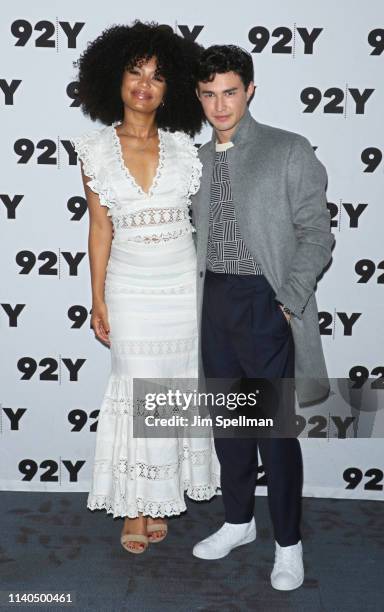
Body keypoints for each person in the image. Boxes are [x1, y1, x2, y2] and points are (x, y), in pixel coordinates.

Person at [71, 21, 219, 554]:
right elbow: (99, 227)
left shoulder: (185, 148)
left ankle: (162, 495)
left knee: (174, 388)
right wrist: (97, 298)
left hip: (183, 285)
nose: (144, 85)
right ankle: (134, 505)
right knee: (137, 390)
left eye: (157, 77)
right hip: (130, 286)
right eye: (135, 73)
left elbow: (203, 223)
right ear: (114, 78)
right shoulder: (93, 149)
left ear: (170, 87)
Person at [191, 45, 334, 589]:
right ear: (199, 97)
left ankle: (289, 544)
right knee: (229, 428)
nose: (219, 105)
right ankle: (238, 521)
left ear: (250, 89)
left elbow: (317, 232)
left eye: (230, 91)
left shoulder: (288, 149)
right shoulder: (197, 161)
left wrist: (288, 296)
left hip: (266, 302)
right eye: (208, 94)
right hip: (214, 304)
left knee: (273, 434)